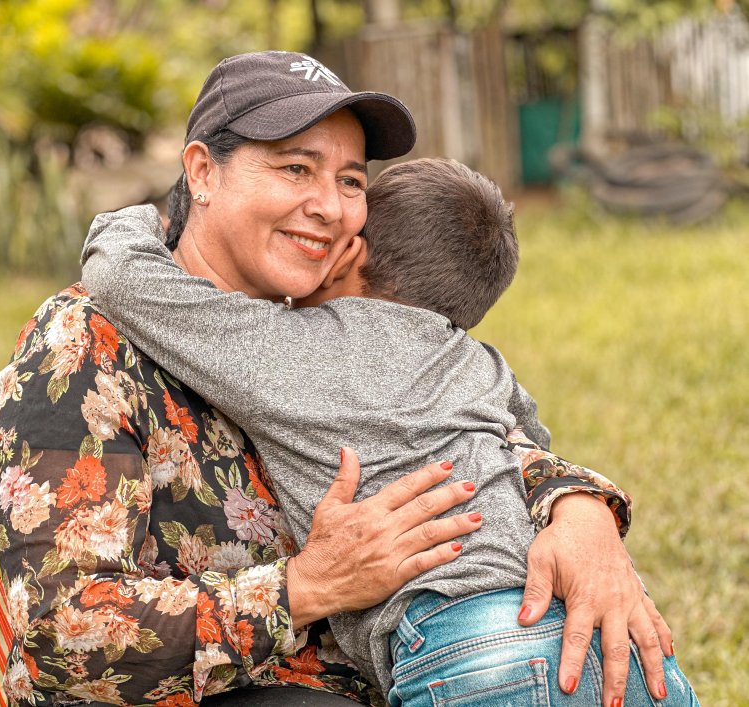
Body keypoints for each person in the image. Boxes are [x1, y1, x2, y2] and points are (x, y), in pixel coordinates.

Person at [0, 51, 671, 707]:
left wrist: (580, 509)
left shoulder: (324, 324)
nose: (330, 206)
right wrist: (304, 587)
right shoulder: (84, 344)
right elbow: (60, 634)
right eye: (296, 168)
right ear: (202, 172)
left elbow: (481, 431)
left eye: (349, 180)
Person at [80, 156, 700, 706]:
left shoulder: (295, 350)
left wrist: (159, 217)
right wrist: (577, 506)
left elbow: (119, 273)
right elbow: (529, 443)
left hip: (466, 643)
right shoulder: (479, 361)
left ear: (359, 252)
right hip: (595, 627)